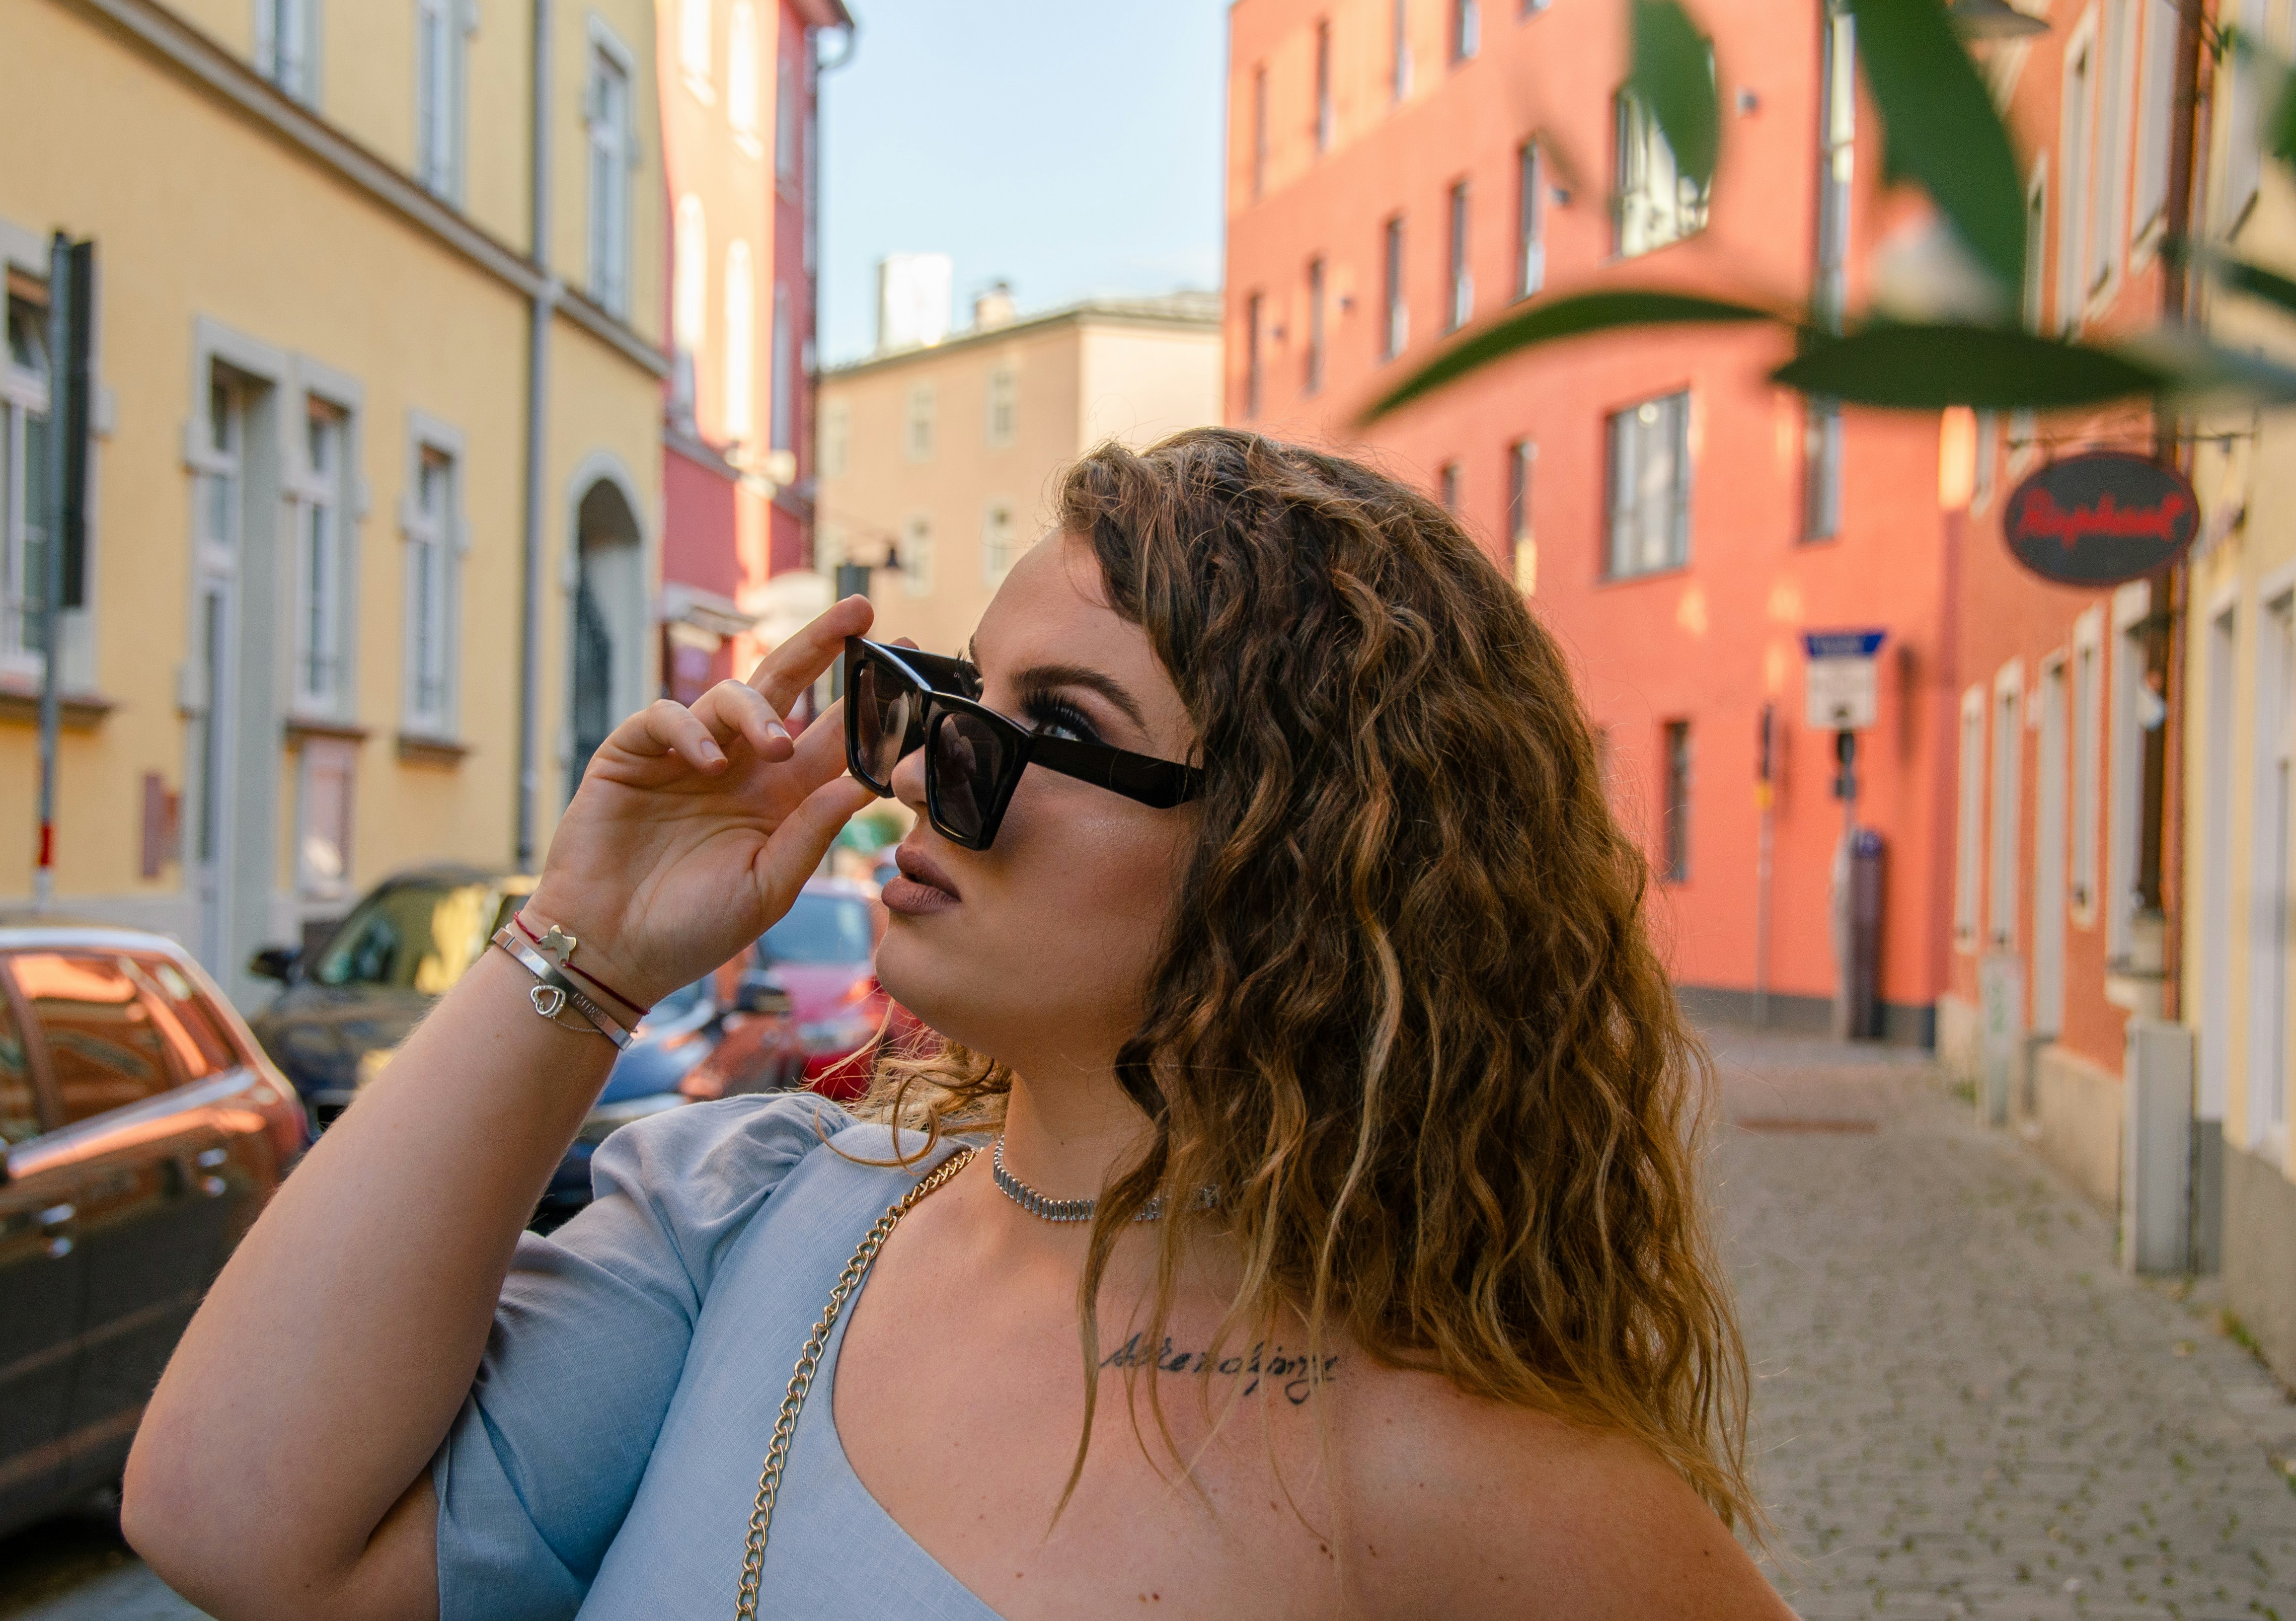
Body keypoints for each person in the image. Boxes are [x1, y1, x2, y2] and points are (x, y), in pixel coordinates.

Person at [126, 429, 1797, 1621]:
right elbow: (238, 1527)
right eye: (947, 695)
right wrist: (589, 945)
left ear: (1300, 856)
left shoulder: (1450, 1473)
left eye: (1053, 724)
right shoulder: (759, 1219)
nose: (915, 770)